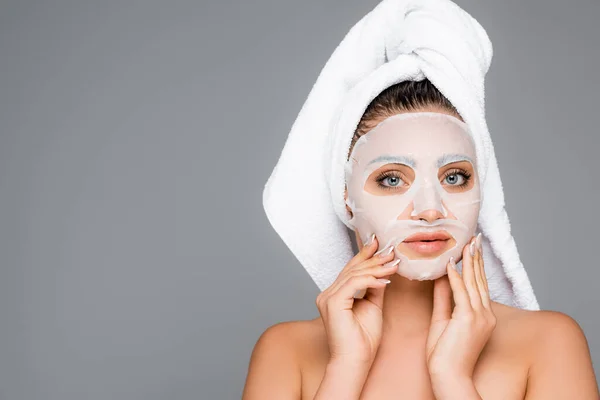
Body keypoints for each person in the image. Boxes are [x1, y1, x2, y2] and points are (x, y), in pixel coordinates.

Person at [242, 79, 599, 399]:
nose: (430, 210)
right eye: (392, 179)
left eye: (455, 177)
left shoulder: (549, 342)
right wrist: (345, 367)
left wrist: (453, 378)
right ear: (346, 197)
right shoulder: (285, 352)